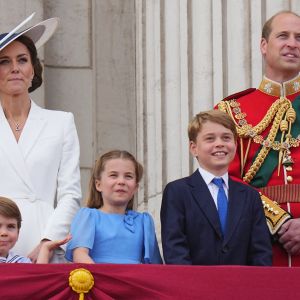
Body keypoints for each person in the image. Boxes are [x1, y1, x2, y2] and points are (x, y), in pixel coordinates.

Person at [217, 11, 300, 266]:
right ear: (264, 45)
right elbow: (221, 177)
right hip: (256, 243)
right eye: (283, 36)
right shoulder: (231, 110)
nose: (292, 43)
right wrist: (278, 220)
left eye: (299, 37)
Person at [0, 15, 81, 262]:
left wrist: (47, 241)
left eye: (22, 60)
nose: (15, 68)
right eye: (4, 61)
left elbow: (70, 194)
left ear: (33, 68)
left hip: (44, 237)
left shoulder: (61, 122)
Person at [160, 110, 272, 265]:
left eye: (226, 138)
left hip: (241, 285)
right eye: (210, 139)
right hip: (195, 285)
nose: (219, 143)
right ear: (194, 148)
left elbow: (261, 252)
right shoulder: (178, 191)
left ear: (235, 144)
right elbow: (175, 248)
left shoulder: (249, 195)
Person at [65, 150, 162, 264]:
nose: (121, 181)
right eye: (113, 175)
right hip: (98, 279)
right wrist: (103, 279)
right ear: (98, 184)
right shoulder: (88, 216)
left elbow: (155, 265)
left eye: (128, 176)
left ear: (135, 187)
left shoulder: (144, 222)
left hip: (135, 280)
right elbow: (80, 255)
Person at [0, 196, 71, 263]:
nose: (4, 233)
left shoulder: (22, 262)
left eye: (11, 226)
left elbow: (38, 274)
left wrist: (45, 248)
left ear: (18, 232)